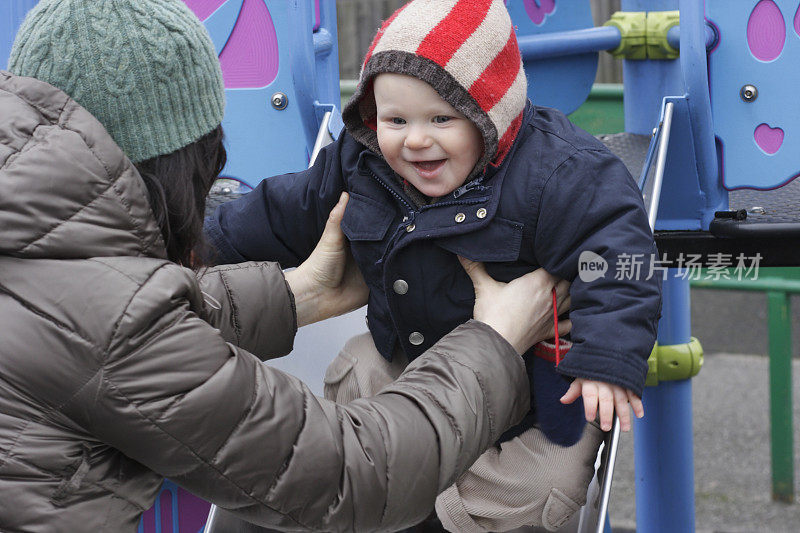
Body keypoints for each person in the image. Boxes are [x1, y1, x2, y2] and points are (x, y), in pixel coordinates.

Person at [0, 1, 572, 532]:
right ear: (173, 165)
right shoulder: (117, 330)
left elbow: (76, 317)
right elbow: (358, 474)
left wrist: (299, 293)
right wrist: (495, 337)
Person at [206, 0, 663, 530]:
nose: (415, 139)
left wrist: (606, 360)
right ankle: (397, 501)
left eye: (441, 119)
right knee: (354, 380)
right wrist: (199, 249)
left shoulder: (560, 174)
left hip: (541, 385)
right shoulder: (365, 160)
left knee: (547, 486)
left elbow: (622, 255)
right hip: (411, 358)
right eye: (395, 119)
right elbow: (281, 213)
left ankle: (447, 511)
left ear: (491, 115)